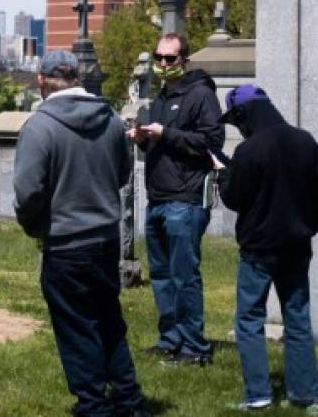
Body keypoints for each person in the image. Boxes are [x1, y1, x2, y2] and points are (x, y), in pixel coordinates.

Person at [13, 50, 145, 417]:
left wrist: (34, 226)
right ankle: (129, 401)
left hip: (66, 242)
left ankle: (93, 406)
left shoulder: (40, 127)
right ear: (78, 77)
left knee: (76, 327)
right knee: (108, 320)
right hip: (106, 239)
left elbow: (28, 192)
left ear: (41, 80)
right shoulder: (113, 122)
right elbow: (121, 176)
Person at [213, 85, 318, 411]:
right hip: (297, 243)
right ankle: (304, 393)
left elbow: (235, 198)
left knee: (249, 320)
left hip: (259, 249)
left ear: (245, 115)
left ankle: (258, 394)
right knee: (298, 319)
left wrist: (223, 175)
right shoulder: (306, 141)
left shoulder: (249, 150)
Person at [128, 32, 223, 366]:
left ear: (185, 59)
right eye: (159, 57)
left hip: (185, 199)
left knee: (184, 276)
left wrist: (165, 133)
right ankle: (170, 339)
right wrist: (142, 138)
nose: (163, 64)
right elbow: (162, 146)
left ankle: (195, 348)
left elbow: (211, 142)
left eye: (170, 58)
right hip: (157, 198)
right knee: (163, 276)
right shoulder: (161, 98)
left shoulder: (201, 96)